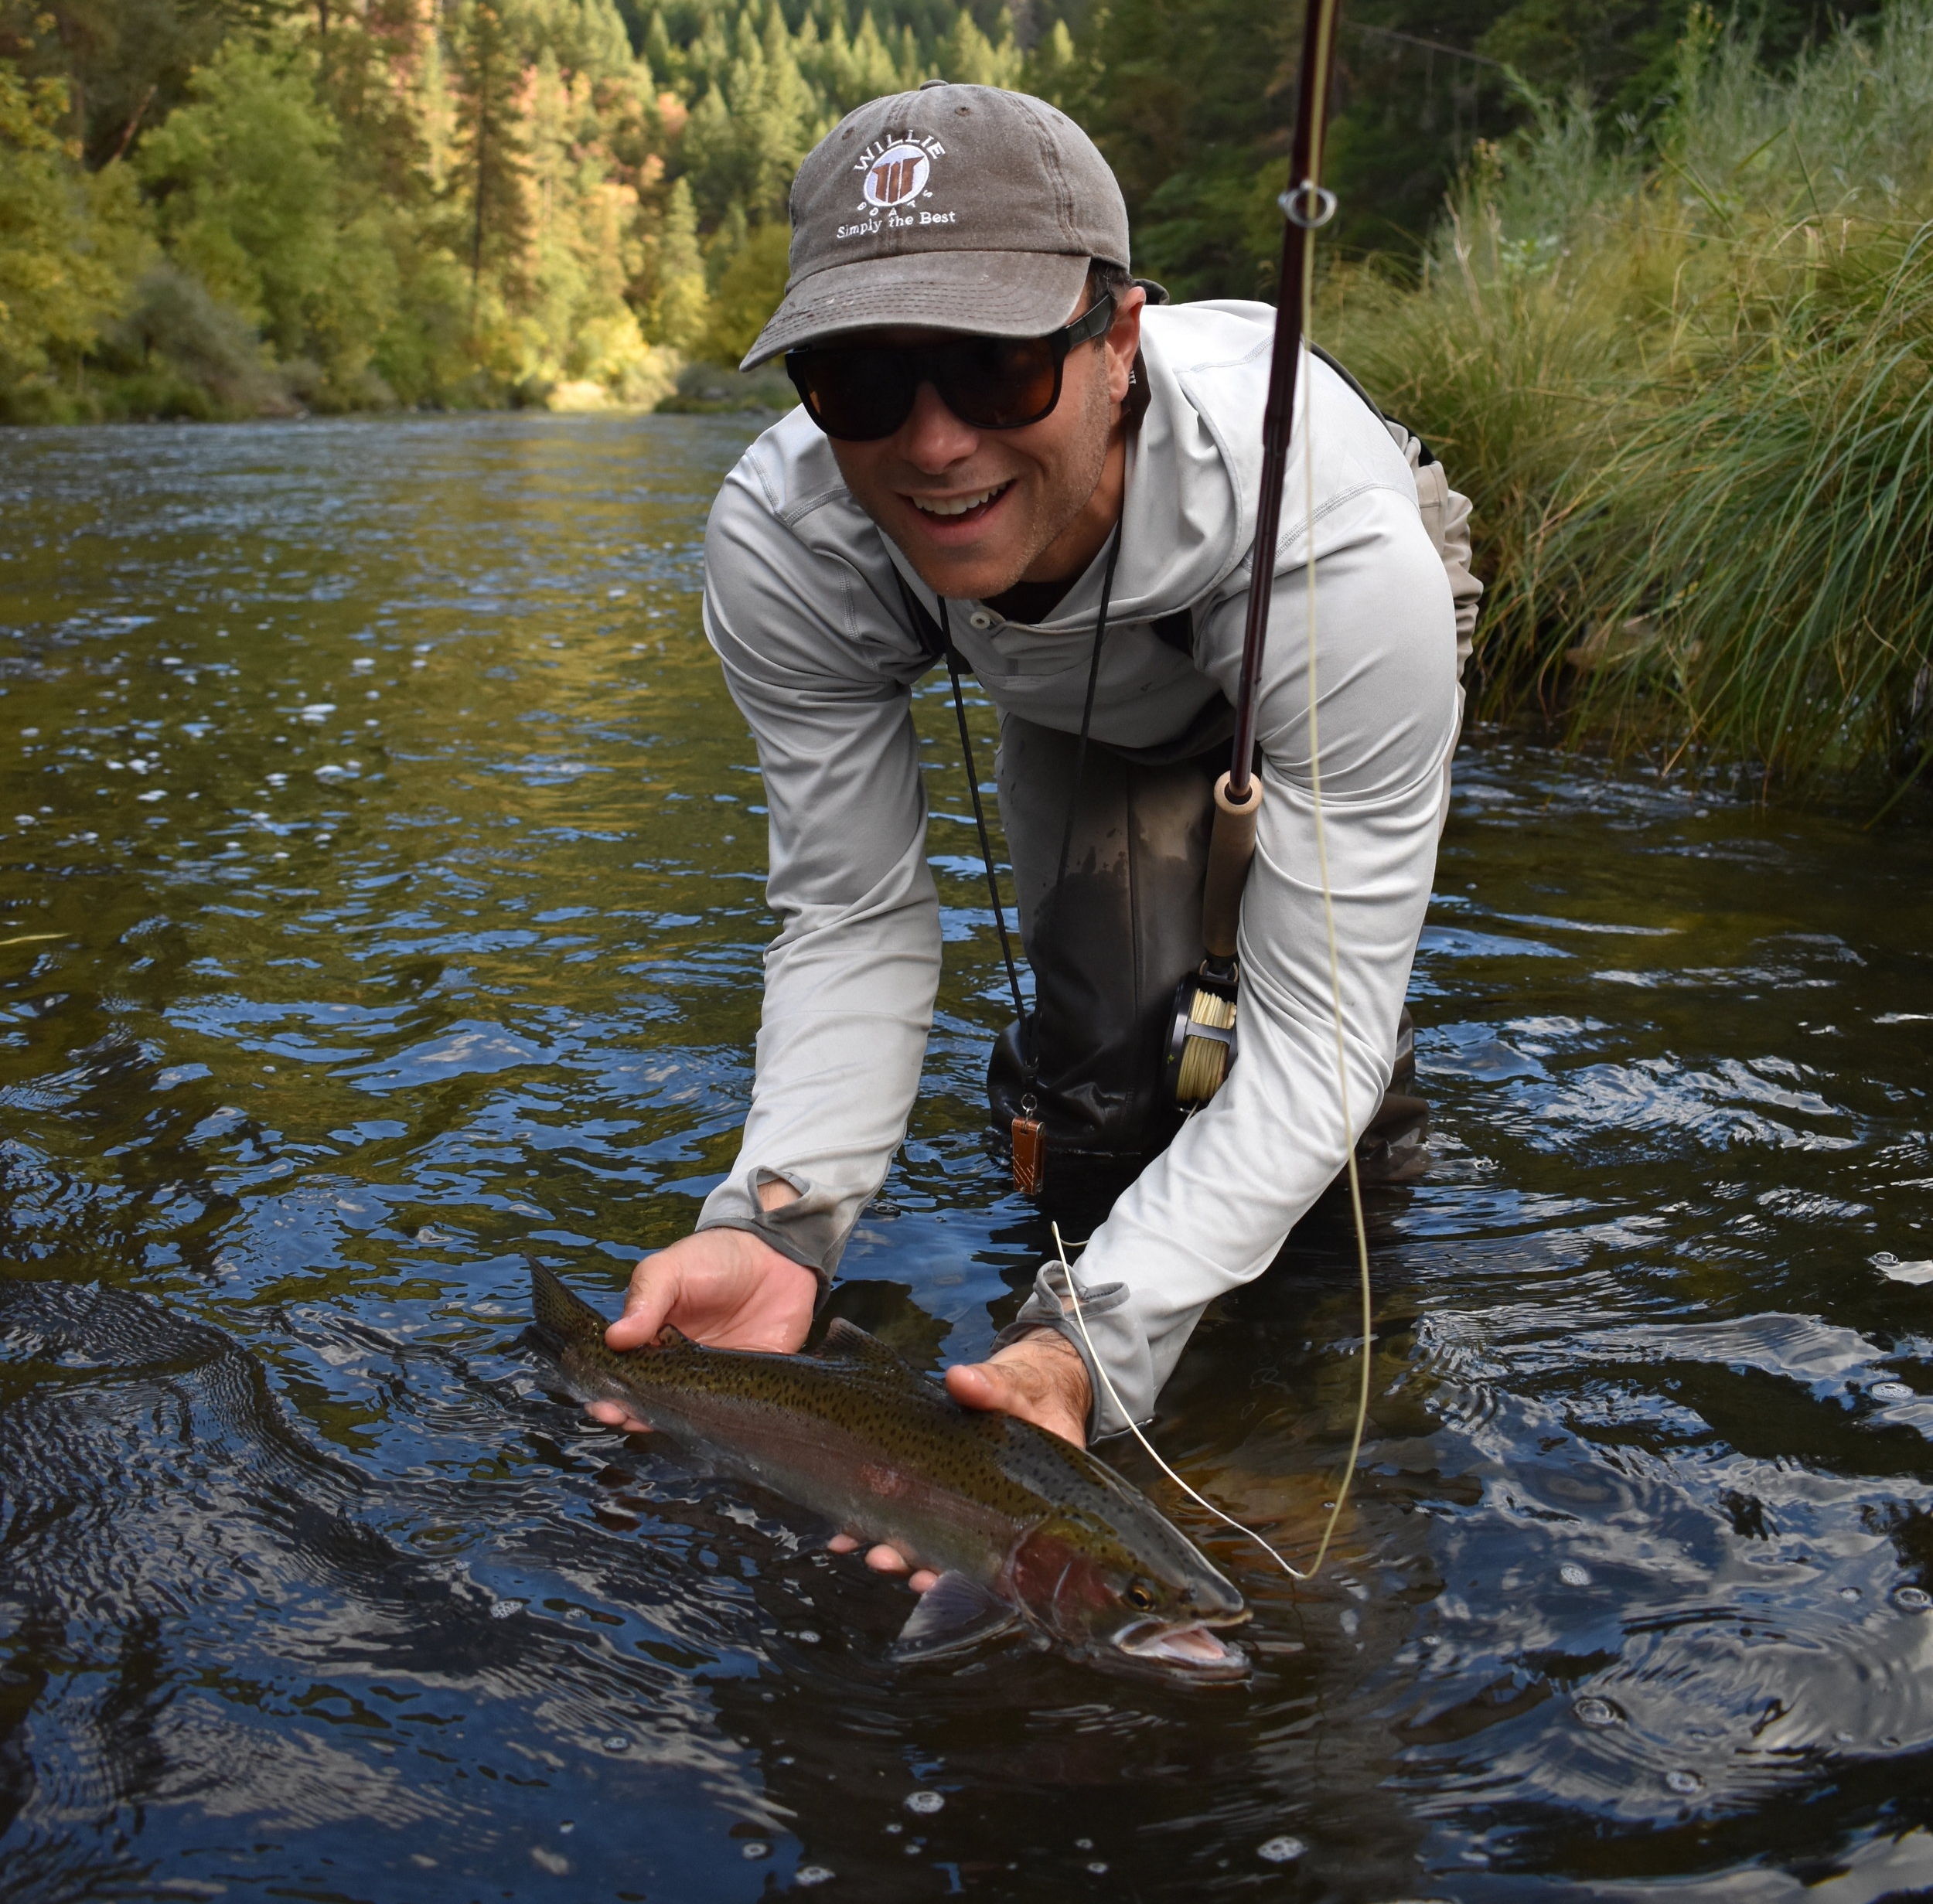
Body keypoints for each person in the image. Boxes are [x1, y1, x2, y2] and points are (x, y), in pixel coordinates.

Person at [588, 82, 1478, 1589]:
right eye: (858, 381)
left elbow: (1317, 1030)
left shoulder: (1330, 544)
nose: (929, 446)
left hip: (1294, 622)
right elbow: (853, 916)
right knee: (1097, 1076)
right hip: (1068, 681)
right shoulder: (786, 537)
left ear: (1114, 339)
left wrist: (1093, 1340)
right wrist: (781, 1219)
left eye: (997, 371)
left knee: (1319, 1070)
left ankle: (1315, 1302)